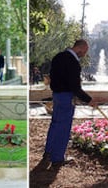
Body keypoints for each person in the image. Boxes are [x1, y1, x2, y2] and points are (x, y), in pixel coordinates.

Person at [44, 39, 94, 167]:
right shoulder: (73, 63)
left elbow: (51, 77)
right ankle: (57, 158)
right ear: (80, 48)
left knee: (55, 124)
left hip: (56, 95)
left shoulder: (58, 57)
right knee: (63, 127)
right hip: (66, 97)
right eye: (84, 51)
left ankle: (49, 152)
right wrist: (89, 100)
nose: (84, 54)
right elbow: (75, 87)